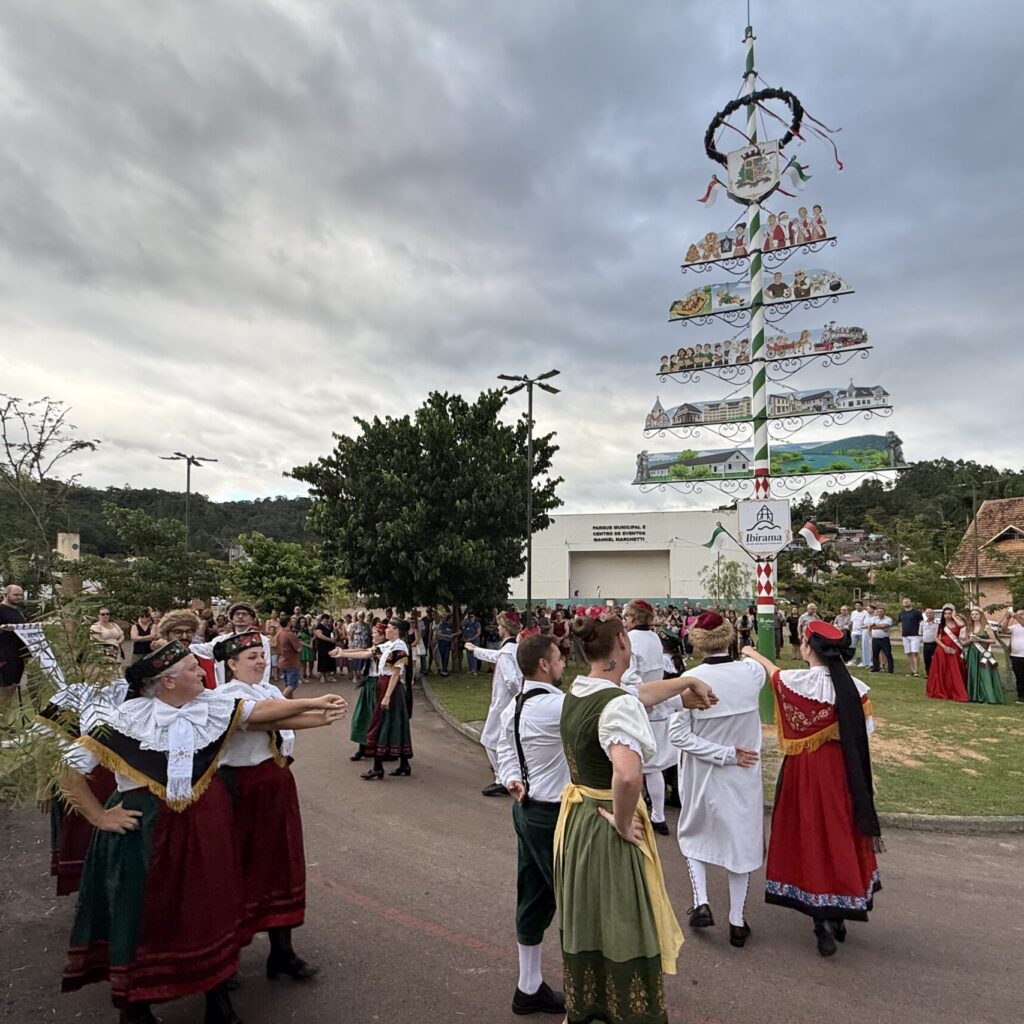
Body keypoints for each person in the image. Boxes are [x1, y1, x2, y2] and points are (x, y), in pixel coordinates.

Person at [59, 642, 345, 1024]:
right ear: (169, 680)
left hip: (205, 826)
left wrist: (315, 709)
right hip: (146, 832)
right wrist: (99, 817)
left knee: (211, 906)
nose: (202, 673)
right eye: (193, 668)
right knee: (147, 913)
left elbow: (260, 714)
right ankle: (137, 1005)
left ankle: (217, 997)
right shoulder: (122, 719)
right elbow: (69, 772)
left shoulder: (209, 708)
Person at [554, 607, 717, 1024]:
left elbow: (637, 694)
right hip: (607, 817)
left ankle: (592, 1003)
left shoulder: (583, 688)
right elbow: (628, 776)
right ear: (622, 644)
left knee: (590, 912)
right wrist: (625, 823)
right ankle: (627, 1011)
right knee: (623, 913)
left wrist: (685, 683)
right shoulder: (614, 704)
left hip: (578, 818)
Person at [742, 622, 882, 958]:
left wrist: (751, 653)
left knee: (809, 834)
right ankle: (838, 911)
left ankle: (820, 919)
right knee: (838, 834)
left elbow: (775, 674)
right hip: (843, 772)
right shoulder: (856, 690)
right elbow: (866, 732)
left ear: (807, 649)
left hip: (805, 771)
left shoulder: (796, 683)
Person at [214, 631, 337, 981]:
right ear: (231, 664)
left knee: (281, 863)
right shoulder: (226, 695)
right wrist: (314, 703)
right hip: (242, 788)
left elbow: (278, 719)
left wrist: (321, 716)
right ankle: (226, 961)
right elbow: (258, 716)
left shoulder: (268, 691)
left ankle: (282, 952)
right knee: (241, 867)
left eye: (260, 653)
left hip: (274, 780)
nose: (258, 660)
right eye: (249, 655)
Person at [670, 612, 766, 948]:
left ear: (697, 641)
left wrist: (722, 753)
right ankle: (737, 920)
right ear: (728, 637)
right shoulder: (751, 674)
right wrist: (750, 652)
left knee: (694, 832)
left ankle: (701, 901)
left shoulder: (689, 679)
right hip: (742, 771)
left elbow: (678, 736)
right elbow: (759, 666)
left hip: (703, 770)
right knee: (740, 842)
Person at [494, 634, 570, 1017]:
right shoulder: (558, 706)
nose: (562, 664)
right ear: (544, 664)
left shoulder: (514, 707)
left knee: (534, 894)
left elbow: (502, 747)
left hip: (526, 810)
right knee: (574, 900)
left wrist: (510, 777)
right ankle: (586, 988)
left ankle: (528, 988)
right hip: (553, 814)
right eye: (558, 658)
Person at [624, 599, 680, 837]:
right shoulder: (655, 638)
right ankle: (659, 815)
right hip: (656, 701)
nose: (624, 621)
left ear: (634, 619)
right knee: (653, 765)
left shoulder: (631, 641)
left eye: (626, 617)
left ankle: (637, 814)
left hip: (637, 703)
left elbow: (628, 675)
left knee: (634, 763)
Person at [346, 619, 413, 780]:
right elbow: (368, 652)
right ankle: (403, 764)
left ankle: (378, 767)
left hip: (390, 687)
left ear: (396, 630)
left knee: (379, 724)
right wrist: (341, 652)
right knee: (393, 723)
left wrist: (387, 696)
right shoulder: (390, 645)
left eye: (389, 628)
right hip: (385, 685)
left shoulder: (400, 646)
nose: (387, 630)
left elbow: (396, 672)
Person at [467, 612, 523, 797]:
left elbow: (512, 681)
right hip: (510, 704)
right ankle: (512, 775)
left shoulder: (507, 652)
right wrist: (475, 649)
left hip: (503, 705)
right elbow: (496, 655)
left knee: (489, 740)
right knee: (508, 740)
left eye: (499, 627)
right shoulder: (514, 649)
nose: (497, 629)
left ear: (505, 630)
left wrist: (518, 697)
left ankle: (502, 778)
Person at [347, 622, 386, 761]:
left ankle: (377, 749)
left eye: (375, 632)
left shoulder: (381, 649)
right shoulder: (375, 647)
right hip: (369, 683)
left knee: (374, 718)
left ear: (382, 636)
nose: (372, 634)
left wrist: (341, 653)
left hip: (377, 684)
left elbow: (363, 654)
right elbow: (362, 651)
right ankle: (362, 748)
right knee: (362, 716)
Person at [925, 606, 969, 701]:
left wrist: (954, 616)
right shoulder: (940, 625)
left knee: (955, 669)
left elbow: (962, 625)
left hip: (955, 649)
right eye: (946, 613)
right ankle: (942, 690)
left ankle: (956, 690)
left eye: (949, 613)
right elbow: (935, 637)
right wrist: (944, 647)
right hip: (942, 650)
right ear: (943, 615)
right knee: (943, 670)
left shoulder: (957, 623)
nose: (947, 615)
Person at [964, 608, 1005, 704]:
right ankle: (975, 696)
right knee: (974, 673)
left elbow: (993, 640)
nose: (974, 616)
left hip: (984, 654)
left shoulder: (986, 627)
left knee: (985, 674)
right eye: (972, 614)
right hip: (973, 654)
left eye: (976, 614)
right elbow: (965, 642)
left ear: (981, 615)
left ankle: (988, 696)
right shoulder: (969, 627)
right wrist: (969, 641)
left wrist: (980, 639)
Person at [0, 583, 29, 703]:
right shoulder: (1, 610)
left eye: (21, 595)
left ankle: (4, 719)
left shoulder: (17, 612)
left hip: (18, 656)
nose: (19, 597)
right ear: (6, 594)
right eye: (15, 594)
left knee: (12, 690)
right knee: (3, 690)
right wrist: (2, 628)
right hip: (4, 656)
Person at [998, 608, 1024, 703]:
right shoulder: (1015, 627)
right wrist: (1007, 618)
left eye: (1022, 614)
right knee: (1019, 677)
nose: (1019, 616)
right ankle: (1021, 697)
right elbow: (1004, 630)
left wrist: (1015, 615)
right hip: (1016, 656)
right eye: (1018, 614)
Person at [275, 613, 303, 698]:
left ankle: (290, 705)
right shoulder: (290, 634)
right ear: (288, 623)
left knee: (287, 685)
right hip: (291, 663)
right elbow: (299, 649)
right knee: (292, 685)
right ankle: (279, 701)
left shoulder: (279, 633)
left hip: (282, 662)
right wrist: (299, 641)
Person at [897, 597, 924, 677]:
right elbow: (900, 623)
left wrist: (920, 632)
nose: (906, 603)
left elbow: (921, 622)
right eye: (904, 602)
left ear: (910, 602)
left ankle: (916, 671)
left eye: (907, 601)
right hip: (905, 636)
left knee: (915, 652)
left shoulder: (917, 612)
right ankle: (912, 670)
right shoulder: (901, 613)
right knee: (908, 653)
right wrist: (901, 631)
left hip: (915, 635)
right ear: (902, 603)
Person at [867, 604, 894, 674]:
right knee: (875, 654)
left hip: (884, 639)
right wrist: (878, 626)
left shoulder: (888, 619)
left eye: (881, 611)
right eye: (878, 612)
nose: (879, 613)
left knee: (888, 654)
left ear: (884, 612)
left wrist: (875, 625)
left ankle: (890, 670)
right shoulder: (874, 618)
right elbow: (870, 627)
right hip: (875, 639)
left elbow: (884, 626)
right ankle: (876, 668)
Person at [313, 614, 336, 680]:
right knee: (323, 660)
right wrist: (330, 640)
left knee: (330, 660)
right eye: (324, 619)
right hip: (322, 646)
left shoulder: (329, 626)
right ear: (322, 619)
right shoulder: (319, 626)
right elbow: (319, 635)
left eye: (327, 619)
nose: (326, 620)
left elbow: (333, 633)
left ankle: (328, 675)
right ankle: (322, 676)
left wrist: (334, 639)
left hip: (330, 646)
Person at [849, 600, 870, 668]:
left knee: (863, 647)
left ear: (862, 606)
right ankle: (853, 661)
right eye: (856, 605)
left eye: (859, 605)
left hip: (862, 632)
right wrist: (851, 630)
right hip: (854, 632)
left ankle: (864, 661)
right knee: (852, 647)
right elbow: (852, 622)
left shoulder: (866, 613)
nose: (857, 607)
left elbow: (866, 622)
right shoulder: (853, 612)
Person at [919, 608, 939, 676]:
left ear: (933, 614)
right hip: (926, 644)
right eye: (927, 613)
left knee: (936, 659)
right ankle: (928, 674)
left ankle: (937, 673)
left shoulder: (938, 623)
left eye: (930, 613)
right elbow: (920, 633)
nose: (929, 614)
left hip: (935, 644)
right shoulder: (922, 623)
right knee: (927, 659)